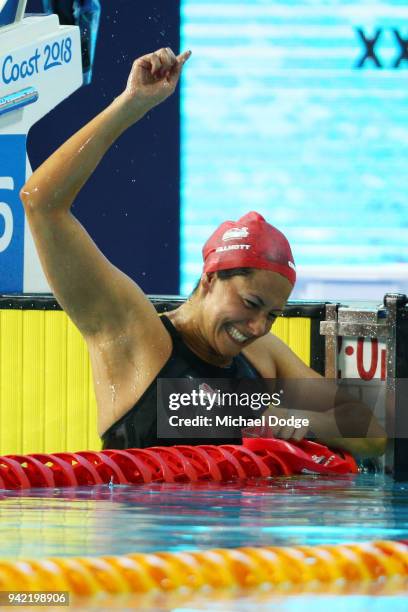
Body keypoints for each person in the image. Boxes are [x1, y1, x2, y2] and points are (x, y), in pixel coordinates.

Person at [20, 47, 386, 456]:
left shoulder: (263, 356)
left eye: (273, 315)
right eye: (251, 304)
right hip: (143, 519)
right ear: (210, 278)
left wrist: (299, 419)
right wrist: (131, 105)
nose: (257, 326)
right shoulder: (135, 335)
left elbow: (373, 434)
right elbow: (41, 203)